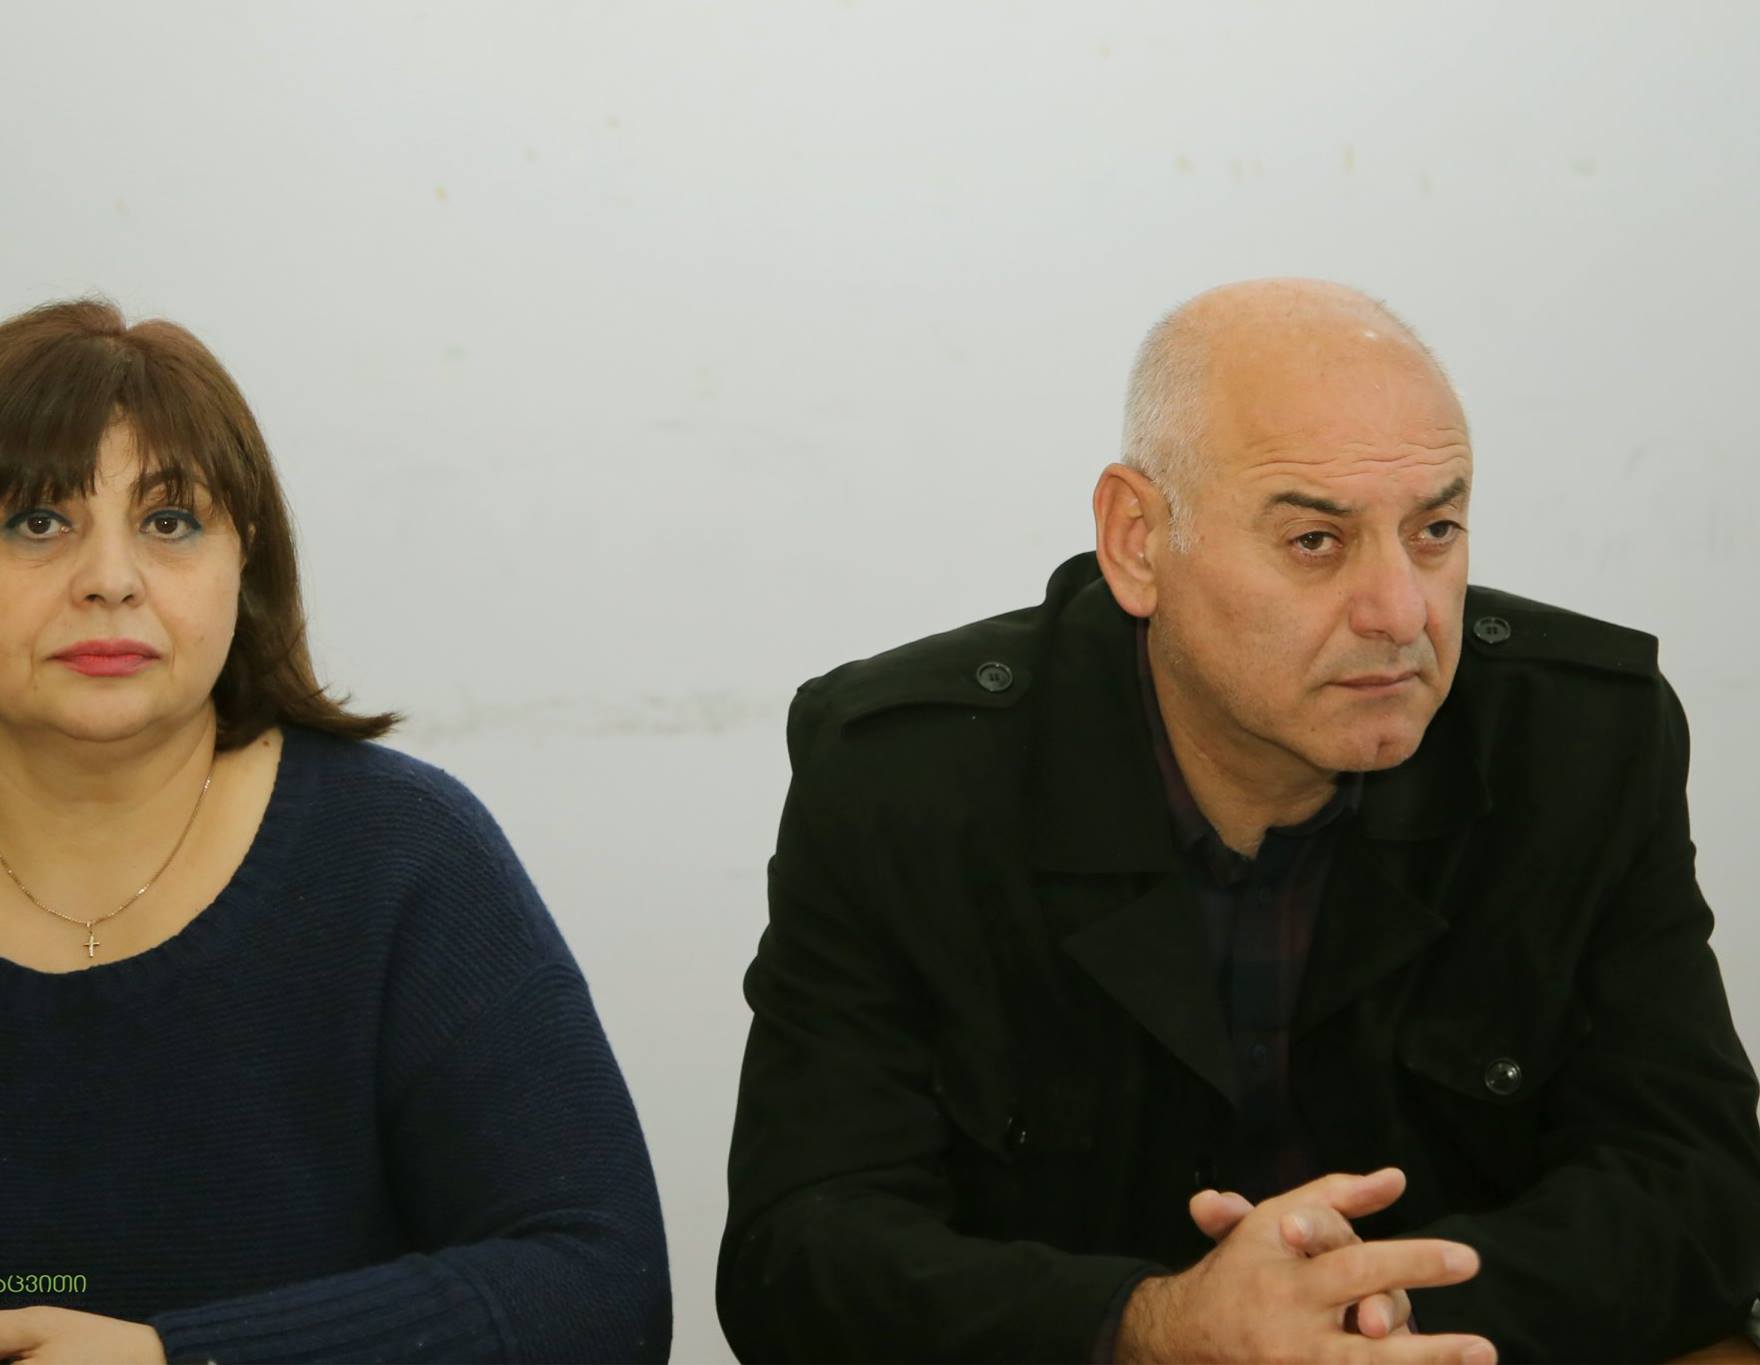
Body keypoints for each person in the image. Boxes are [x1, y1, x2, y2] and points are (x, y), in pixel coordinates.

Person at [717, 278, 1760, 1363]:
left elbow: (1697, 1181)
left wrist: (1374, 1320)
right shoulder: (906, 776)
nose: (1400, 611)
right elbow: (802, 1256)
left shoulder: (1580, 738)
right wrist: (1156, 1327)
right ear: (1137, 540)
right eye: (1315, 540)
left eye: (1435, 530)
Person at [0, 299, 671, 1364]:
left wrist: (177, 1356)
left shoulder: (404, 860)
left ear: (240, 563)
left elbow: (600, 1286)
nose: (111, 579)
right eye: (38, 522)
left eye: (170, 523)